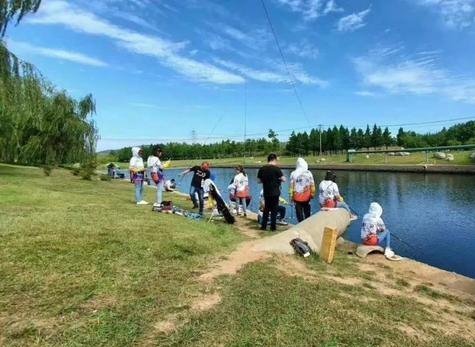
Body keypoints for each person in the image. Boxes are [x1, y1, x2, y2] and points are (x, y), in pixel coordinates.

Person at [257, 153, 286, 231]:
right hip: (275, 192)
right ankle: (273, 227)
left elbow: (258, 181)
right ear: (274, 159)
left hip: (266, 191)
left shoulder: (262, 169)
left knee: (266, 209)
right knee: (274, 209)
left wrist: (266, 180)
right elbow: (284, 179)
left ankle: (263, 226)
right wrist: (278, 179)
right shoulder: (276, 169)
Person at [289, 158, 315, 222]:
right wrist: (312, 194)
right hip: (307, 195)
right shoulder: (309, 173)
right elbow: (312, 185)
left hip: (297, 196)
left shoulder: (293, 173)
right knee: (307, 210)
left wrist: (291, 196)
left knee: (299, 212)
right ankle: (308, 223)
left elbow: (291, 186)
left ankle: (300, 224)